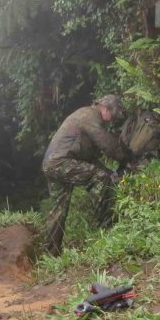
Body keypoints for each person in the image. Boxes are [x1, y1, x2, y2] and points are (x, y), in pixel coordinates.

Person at [42, 94, 131, 256]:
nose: (112, 120)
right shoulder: (90, 116)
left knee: (58, 210)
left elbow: (88, 157)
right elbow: (106, 144)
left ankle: (50, 254)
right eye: (112, 115)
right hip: (62, 162)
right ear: (104, 107)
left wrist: (109, 170)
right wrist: (127, 159)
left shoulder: (85, 116)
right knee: (99, 178)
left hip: (52, 163)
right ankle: (107, 231)